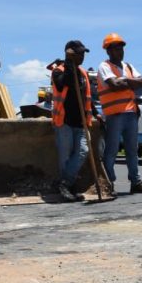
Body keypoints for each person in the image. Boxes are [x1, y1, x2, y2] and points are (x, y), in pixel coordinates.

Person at [97, 32, 142, 194]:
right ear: (108, 51)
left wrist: (125, 81)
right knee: (112, 150)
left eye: (121, 48)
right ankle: (108, 183)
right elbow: (114, 85)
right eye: (115, 49)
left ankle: (135, 181)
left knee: (132, 150)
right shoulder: (104, 66)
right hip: (115, 115)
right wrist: (131, 83)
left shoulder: (128, 66)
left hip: (131, 113)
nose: (119, 51)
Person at [49, 40, 93, 203]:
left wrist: (95, 114)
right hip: (64, 121)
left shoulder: (83, 73)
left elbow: (87, 96)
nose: (82, 57)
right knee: (65, 157)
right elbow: (62, 85)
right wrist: (68, 63)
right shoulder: (58, 71)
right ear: (70, 54)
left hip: (81, 121)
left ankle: (65, 183)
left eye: (83, 54)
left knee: (83, 151)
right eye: (79, 54)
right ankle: (68, 188)